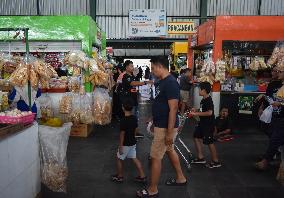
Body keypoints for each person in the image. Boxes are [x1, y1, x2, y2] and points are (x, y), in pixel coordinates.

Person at [137, 56, 187, 198]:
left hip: (165, 127)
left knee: (155, 157)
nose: (152, 71)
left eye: (153, 68)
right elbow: (162, 103)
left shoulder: (171, 83)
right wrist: (153, 117)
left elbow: (173, 109)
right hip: (161, 123)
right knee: (170, 150)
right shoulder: (162, 82)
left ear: (160, 66)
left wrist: (170, 133)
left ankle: (152, 190)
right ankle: (180, 178)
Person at [255, 65, 284, 170]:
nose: (276, 72)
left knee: (275, 139)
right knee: (274, 137)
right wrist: (262, 106)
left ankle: (266, 161)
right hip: (275, 115)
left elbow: (279, 101)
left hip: (282, 117)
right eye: (276, 70)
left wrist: (280, 104)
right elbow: (269, 97)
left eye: (280, 71)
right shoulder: (273, 84)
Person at [111, 99, 146, 183]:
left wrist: (120, 146)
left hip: (125, 144)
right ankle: (142, 176)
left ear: (123, 108)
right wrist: (134, 137)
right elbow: (136, 130)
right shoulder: (134, 118)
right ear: (132, 108)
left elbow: (122, 134)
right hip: (133, 142)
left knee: (119, 159)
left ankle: (119, 176)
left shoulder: (123, 121)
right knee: (134, 158)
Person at [190, 82, 221, 168]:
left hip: (208, 124)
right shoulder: (203, 100)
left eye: (199, 89)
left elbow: (209, 113)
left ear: (204, 90)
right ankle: (201, 158)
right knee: (196, 137)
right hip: (202, 123)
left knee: (209, 142)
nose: (198, 91)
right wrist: (195, 110)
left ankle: (216, 161)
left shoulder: (208, 100)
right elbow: (202, 109)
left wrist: (196, 114)